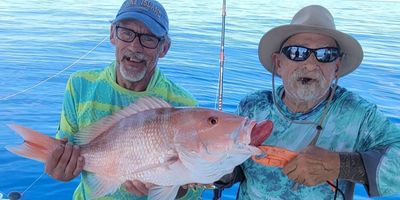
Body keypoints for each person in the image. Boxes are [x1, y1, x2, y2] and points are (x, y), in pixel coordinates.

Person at [218, 5, 400, 200]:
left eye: (326, 55)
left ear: (336, 67)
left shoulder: (359, 115)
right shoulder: (251, 107)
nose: (311, 64)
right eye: (297, 52)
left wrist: (338, 165)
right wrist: (220, 171)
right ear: (279, 63)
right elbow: (236, 170)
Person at [43, 0, 201, 199]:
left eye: (149, 38)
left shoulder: (184, 107)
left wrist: (173, 187)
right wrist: (60, 168)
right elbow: (65, 151)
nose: (135, 46)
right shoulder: (80, 85)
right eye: (126, 33)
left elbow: (194, 190)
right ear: (112, 34)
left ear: (164, 48)